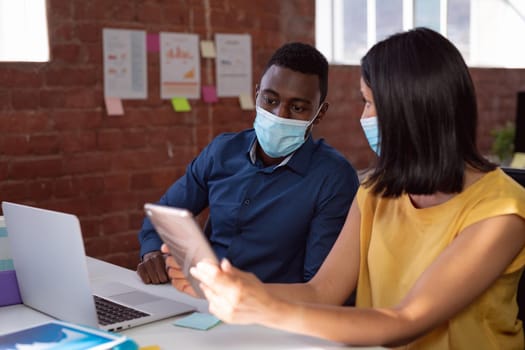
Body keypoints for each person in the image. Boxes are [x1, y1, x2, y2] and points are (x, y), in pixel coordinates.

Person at [170, 28, 525, 349]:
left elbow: (406, 321)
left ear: (409, 113)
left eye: (369, 103)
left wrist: (267, 309)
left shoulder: (501, 211)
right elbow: (321, 291)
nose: (363, 117)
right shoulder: (374, 192)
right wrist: (233, 289)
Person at [137, 42, 360, 289]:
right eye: (270, 100)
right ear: (257, 95)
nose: (279, 114)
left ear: (319, 113)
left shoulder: (333, 178)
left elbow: (321, 288)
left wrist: (242, 296)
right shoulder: (222, 152)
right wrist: (152, 253)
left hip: (271, 315)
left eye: (297, 107)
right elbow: (162, 215)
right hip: (201, 301)